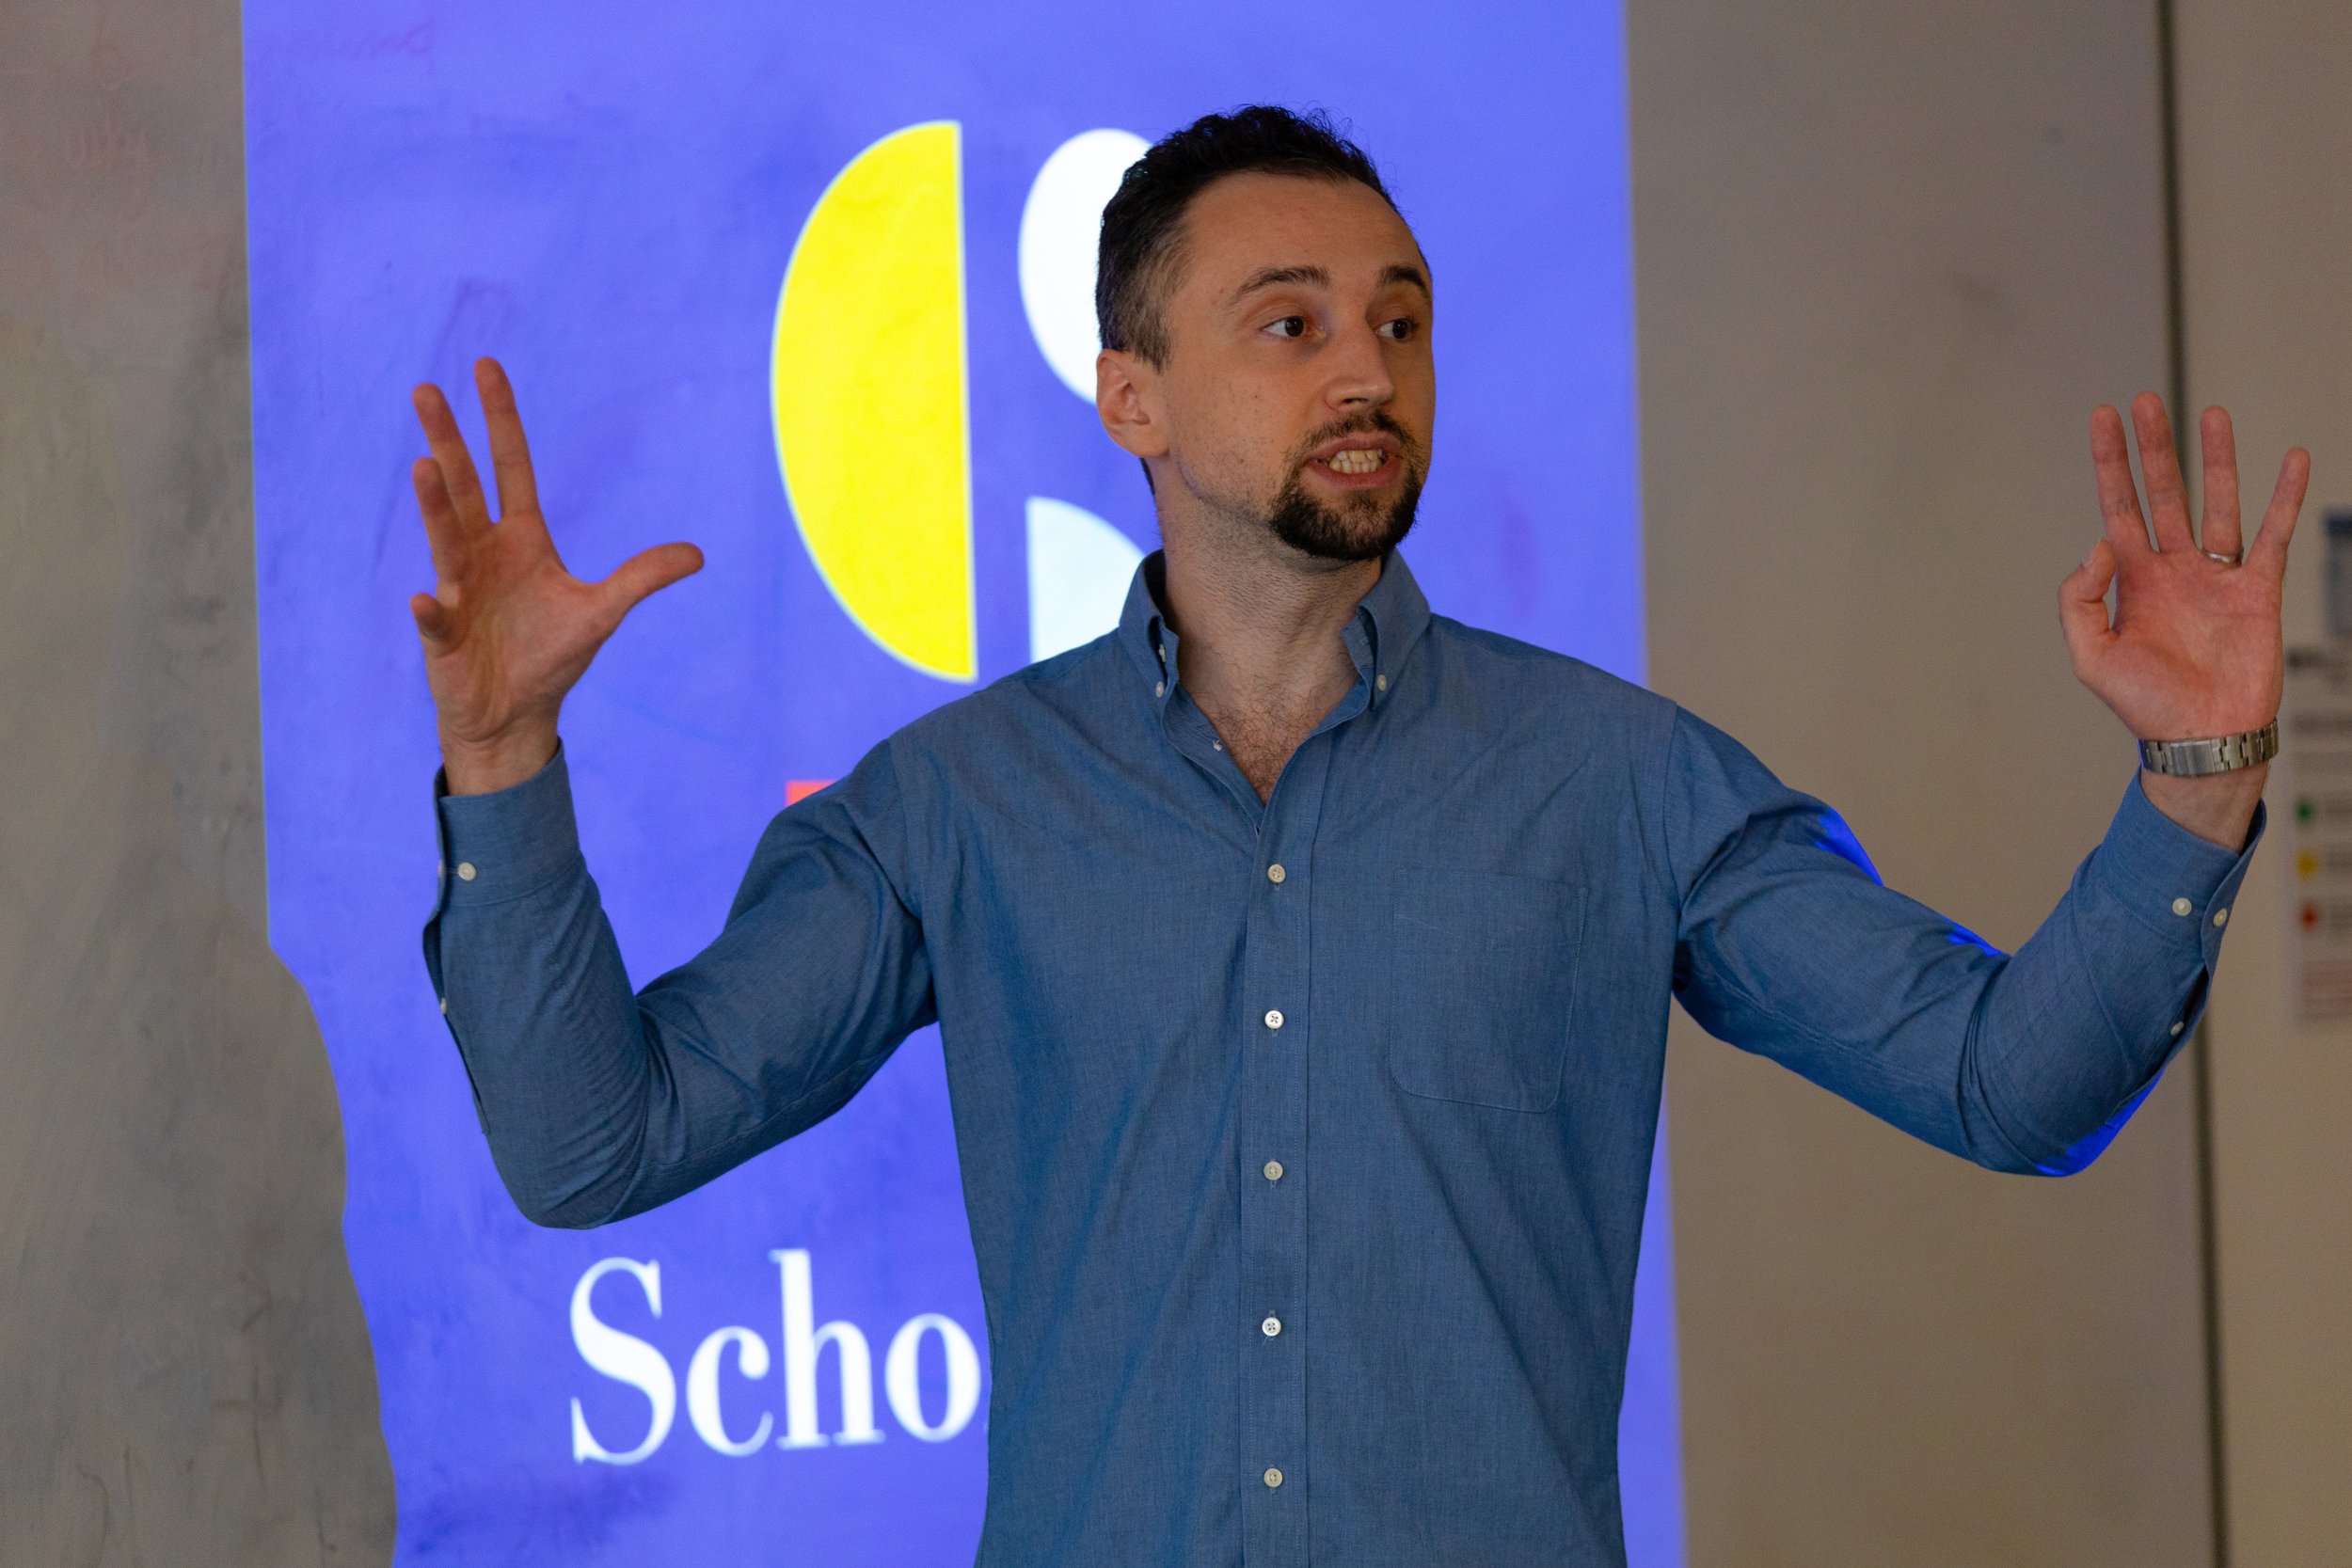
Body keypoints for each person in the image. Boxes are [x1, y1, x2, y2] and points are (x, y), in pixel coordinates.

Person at [406, 107, 2306, 1567]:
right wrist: (500, 761)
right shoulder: (953, 808)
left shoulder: (1615, 781)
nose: (1365, 369)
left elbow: (2002, 1084)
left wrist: (2199, 768)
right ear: (1128, 399)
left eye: (1396, 317)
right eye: (1288, 321)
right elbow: (599, 1147)